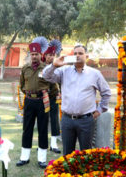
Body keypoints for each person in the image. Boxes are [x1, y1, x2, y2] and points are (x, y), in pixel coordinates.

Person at [43, 44, 111, 155]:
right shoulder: (64, 71)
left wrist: (100, 110)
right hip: (67, 120)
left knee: (86, 154)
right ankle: (68, 173)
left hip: (86, 121)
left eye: (80, 53)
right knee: (67, 155)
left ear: (86, 56)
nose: (77, 55)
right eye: (75, 53)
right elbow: (46, 76)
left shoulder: (95, 74)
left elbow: (106, 93)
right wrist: (54, 65)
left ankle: (84, 173)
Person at [16, 37, 51, 169]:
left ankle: (41, 159)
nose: (34, 56)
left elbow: (53, 86)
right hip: (29, 101)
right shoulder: (25, 68)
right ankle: (24, 157)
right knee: (27, 129)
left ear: (41, 54)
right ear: (30, 55)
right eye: (32, 54)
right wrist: (29, 94)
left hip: (43, 101)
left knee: (42, 129)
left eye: (36, 54)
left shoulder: (46, 68)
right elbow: (21, 84)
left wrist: (46, 97)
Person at [42, 39, 62, 154]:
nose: (51, 57)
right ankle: (42, 143)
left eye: (53, 55)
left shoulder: (58, 67)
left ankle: (53, 144)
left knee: (55, 120)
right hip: (42, 97)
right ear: (45, 55)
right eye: (49, 55)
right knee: (43, 121)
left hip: (54, 96)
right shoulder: (41, 67)